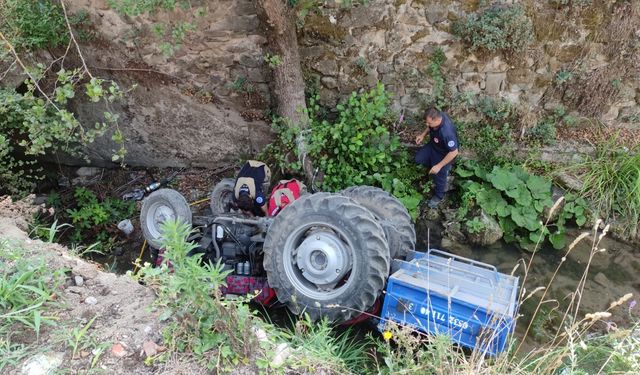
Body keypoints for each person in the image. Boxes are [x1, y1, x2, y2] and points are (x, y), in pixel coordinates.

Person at [415, 108, 459, 209]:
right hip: (433, 146)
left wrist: (439, 166)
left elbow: (454, 152)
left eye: (429, 123)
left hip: (444, 153)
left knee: (439, 176)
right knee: (418, 159)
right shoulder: (437, 117)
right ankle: (434, 166)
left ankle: (439, 196)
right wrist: (422, 135)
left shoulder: (447, 133)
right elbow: (429, 127)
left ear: (437, 120)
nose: (427, 125)